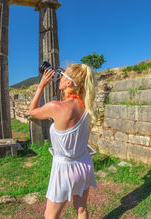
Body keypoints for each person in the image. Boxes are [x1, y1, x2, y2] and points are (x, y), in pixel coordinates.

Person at [29, 63, 97, 219]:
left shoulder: (56, 106)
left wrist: (41, 86)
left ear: (69, 82)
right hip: (84, 163)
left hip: (64, 168)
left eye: (63, 75)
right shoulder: (87, 106)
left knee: (50, 216)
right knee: (81, 209)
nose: (58, 77)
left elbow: (32, 111)